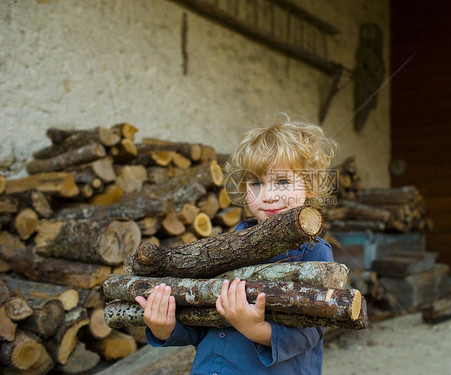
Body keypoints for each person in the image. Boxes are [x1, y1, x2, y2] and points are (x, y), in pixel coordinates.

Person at [135, 114, 338, 374]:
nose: (268, 195)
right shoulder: (226, 247)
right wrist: (166, 328)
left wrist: (257, 330)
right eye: (256, 183)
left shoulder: (314, 251)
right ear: (244, 190)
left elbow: (311, 331)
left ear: (311, 185)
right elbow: (201, 320)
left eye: (283, 181)